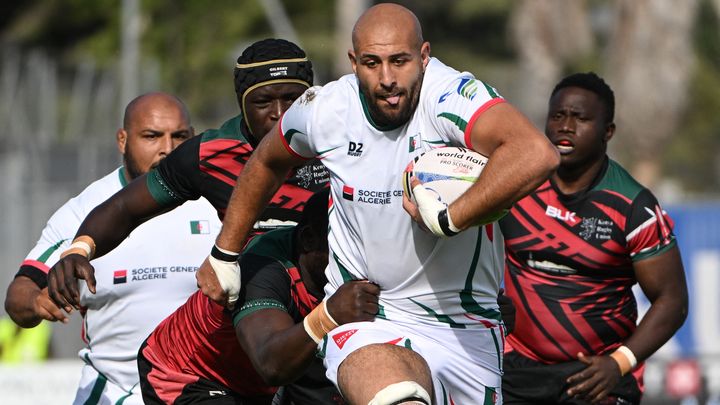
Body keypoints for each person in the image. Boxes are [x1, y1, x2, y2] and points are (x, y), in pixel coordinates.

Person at [198, 3, 559, 404]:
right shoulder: (327, 109)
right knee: (394, 397)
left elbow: (534, 154)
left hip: (467, 328)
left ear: (424, 57)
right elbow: (266, 159)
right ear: (353, 62)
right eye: (372, 63)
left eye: (399, 61)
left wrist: (450, 216)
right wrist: (224, 252)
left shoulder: (450, 96)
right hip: (372, 319)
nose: (387, 78)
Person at [46, 38, 328, 311]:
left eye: (293, 98)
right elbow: (125, 207)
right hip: (251, 308)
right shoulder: (208, 155)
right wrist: (79, 250)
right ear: (242, 103)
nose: (279, 113)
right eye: (264, 102)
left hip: (334, 302)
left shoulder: (339, 144)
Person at [3, 92, 221, 404]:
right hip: (113, 392)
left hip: (201, 393)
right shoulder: (84, 210)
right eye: (152, 136)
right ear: (122, 140)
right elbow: (19, 292)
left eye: (180, 137)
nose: (168, 149)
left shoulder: (219, 203)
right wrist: (35, 303)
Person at [499, 72, 689, 405]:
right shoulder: (516, 185)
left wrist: (619, 364)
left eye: (580, 118)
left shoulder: (633, 206)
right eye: (557, 116)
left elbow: (672, 301)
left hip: (596, 375)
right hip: (514, 366)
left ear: (608, 132)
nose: (565, 127)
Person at [138, 188, 378, 404]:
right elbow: (271, 364)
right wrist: (330, 314)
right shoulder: (261, 270)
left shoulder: (348, 273)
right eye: (346, 247)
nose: (357, 260)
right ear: (308, 240)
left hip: (256, 384)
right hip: (187, 375)